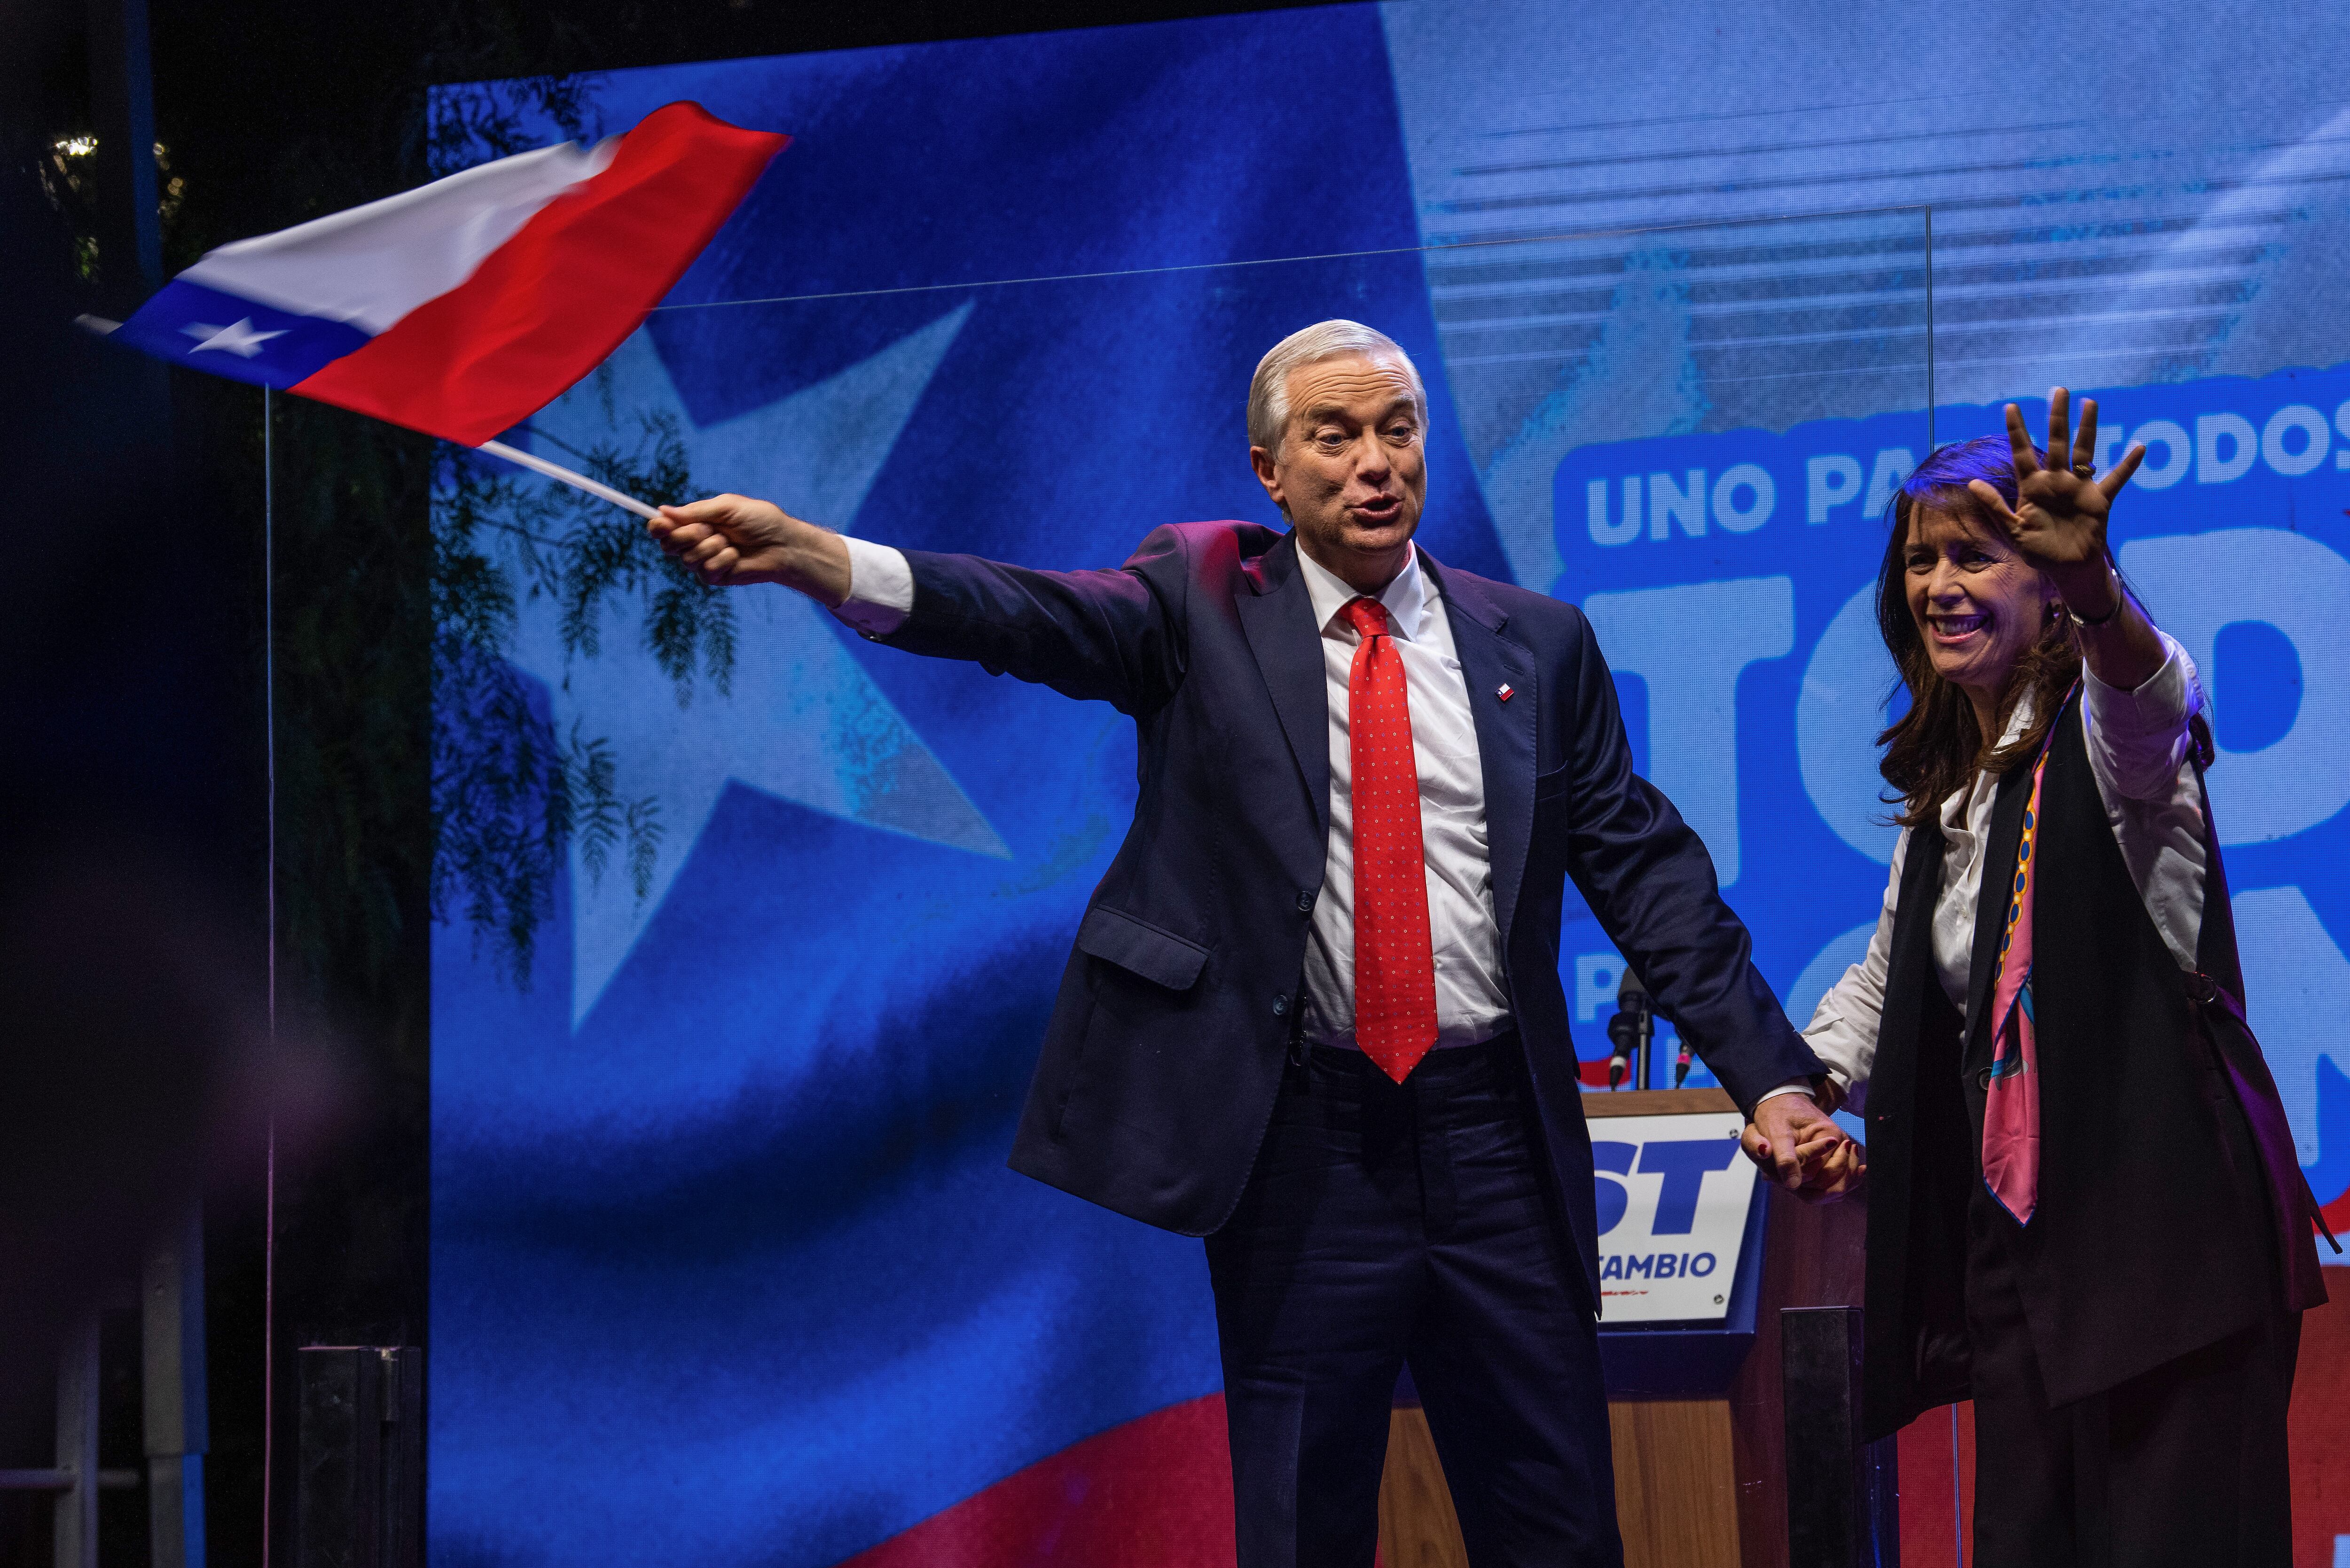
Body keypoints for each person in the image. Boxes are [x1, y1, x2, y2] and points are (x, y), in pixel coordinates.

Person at [650, 320, 1849, 1566]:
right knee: (1301, 1526)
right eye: (1334, 437)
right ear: (1272, 472)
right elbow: (1026, 615)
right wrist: (825, 560)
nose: (1375, 463)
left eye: (1397, 430)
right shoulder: (1200, 598)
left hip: (1498, 1140)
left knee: (1557, 1525)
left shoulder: (1534, 646)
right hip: (1305, 1146)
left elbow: (1646, 873)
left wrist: (1765, 1074)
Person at [1745, 394, 2328, 1565]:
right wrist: (1797, 1092)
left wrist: (2097, 591)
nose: (1941, 584)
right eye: (1922, 561)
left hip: (2169, 1263)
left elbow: (2149, 697)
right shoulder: (1947, 798)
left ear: (2048, 581)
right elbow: (1885, 982)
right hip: (2023, 1270)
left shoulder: (2115, 753)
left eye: (1978, 554)